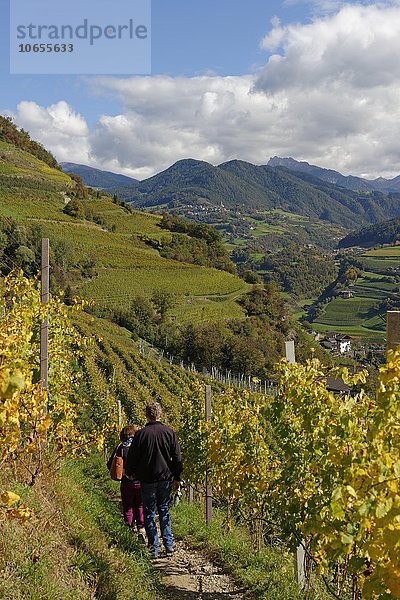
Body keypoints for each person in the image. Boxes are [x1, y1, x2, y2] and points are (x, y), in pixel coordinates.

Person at [126, 402, 182, 558]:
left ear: (146, 415)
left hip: (147, 479)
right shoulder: (169, 433)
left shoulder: (141, 434)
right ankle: (169, 544)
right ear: (160, 414)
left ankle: (153, 547)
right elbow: (177, 457)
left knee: (149, 511)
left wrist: (130, 472)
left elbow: (133, 456)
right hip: (165, 478)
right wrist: (177, 477)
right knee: (164, 509)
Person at [107, 425, 146, 537]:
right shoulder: (140, 446)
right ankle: (141, 528)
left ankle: (128, 530)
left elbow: (110, 464)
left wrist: (121, 472)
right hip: (139, 482)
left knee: (127, 506)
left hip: (126, 482)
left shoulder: (120, 447)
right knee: (140, 505)